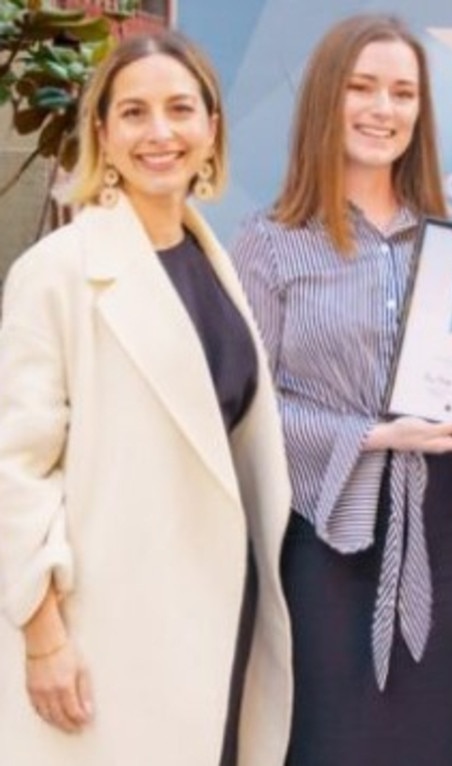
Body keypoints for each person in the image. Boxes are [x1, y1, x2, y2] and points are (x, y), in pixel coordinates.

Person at [230, 13, 452, 766]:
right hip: (327, 536)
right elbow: (244, 411)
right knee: (327, 744)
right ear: (326, 99)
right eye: (362, 88)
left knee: (431, 744)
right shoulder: (269, 242)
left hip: (444, 533)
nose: (383, 109)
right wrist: (373, 435)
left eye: (402, 93)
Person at [0, 30, 293, 766]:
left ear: (211, 127)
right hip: (107, 640)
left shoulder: (209, 259)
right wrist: (43, 640)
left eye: (179, 109)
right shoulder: (58, 271)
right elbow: (14, 469)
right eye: (133, 113)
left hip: (218, 623)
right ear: (102, 130)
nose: (159, 133)